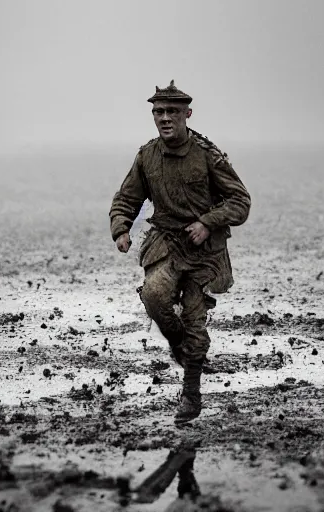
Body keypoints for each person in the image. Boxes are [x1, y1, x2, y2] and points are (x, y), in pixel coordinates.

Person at [109, 80, 251, 424]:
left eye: (172, 112)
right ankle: (178, 345)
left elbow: (241, 202)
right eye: (159, 112)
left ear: (187, 114)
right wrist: (121, 228)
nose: (165, 118)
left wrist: (207, 221)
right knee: (155, 297)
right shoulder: (147, 155)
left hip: (205, 253)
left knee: (195, 322)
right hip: (166, 246)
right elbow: (126, 199)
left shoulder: (208, 155)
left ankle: (191, 393)